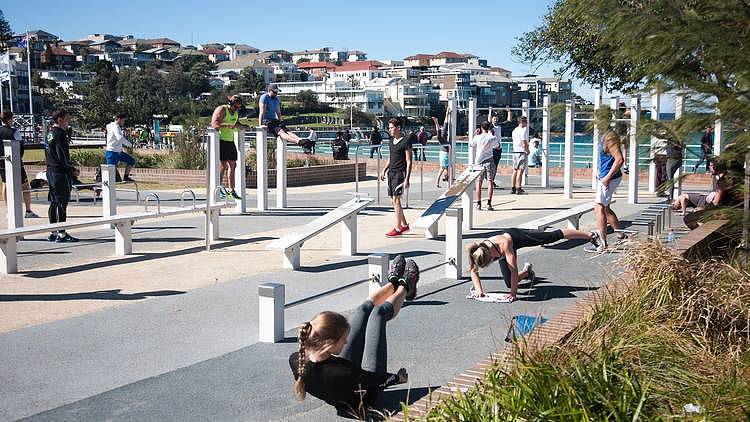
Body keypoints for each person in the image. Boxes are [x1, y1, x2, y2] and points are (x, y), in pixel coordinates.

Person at [290, 255, 419, 418]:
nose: (346, 342)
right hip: (366, 396)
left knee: (363, 309)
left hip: (344, 381)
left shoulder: (297, 359)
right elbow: (376, 380)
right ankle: (405, 286)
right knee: (378, 315)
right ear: (329, 342)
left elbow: (340, 371)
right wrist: (398, 378)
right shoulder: (340, 372)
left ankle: (392, 282)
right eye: (344, 339)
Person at [467, 228, 603, 303]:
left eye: (491, 261)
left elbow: (513, 270)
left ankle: (591, 235)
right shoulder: (476, 252)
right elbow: (473, 271)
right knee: (509, 283)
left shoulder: (503, 244)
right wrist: (479, 290)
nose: (491, 263)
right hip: (502, 251)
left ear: (490, 255)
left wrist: (513, 294)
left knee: (552, 236)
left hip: (516, 237)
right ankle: (527, 272)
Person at [585, 130, 625, 253]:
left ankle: (602, 243)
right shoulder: (604, 136)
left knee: (599, 207)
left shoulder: (610, 137)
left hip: (609, 179)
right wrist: (599, 171)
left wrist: (607, 177)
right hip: (605, 177)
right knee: (606, 208)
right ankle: (621, 236)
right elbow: (605, 158)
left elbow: (619, 159)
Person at [45, 109, 78, 243]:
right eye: (66, 119)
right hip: (60, 172)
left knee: (54, 202)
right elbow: (62, 155)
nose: (68, 122)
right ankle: (62, 233)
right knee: (61, 202)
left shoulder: (50, 133)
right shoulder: (60, 134)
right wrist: (71, 169)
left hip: (51, 170)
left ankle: (53, 231)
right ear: (59, 119)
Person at [0, 111, 39, 218]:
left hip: (2, 162)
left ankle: (9, 210)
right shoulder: (14, 132)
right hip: (16, 162)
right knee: (25, 186)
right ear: (9, 119)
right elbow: (21, 148)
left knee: (5, 184)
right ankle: (28, 210)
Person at [381, 118, 413, 237]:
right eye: (389, 128)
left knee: (396, 200)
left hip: (400, 174)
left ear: (398, 127)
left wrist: (407, 179)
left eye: (391, 127)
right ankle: (404, 225)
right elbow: (391, 157)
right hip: (391, 173)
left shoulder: (406, 141)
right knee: (393, 201)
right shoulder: (390, 141)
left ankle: (398, 228)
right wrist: (384, 170)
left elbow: (409, 161)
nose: (389, 130)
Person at [211, 95, 245, 200]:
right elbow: (214, 124)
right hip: (221, 140)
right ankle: (219, 187)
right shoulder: (222, 109)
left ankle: (231, 190)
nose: (237, 109)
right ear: (230, 104)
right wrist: (225, 125)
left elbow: (236, 123)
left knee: (233, 165)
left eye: (239, 107)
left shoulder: (236, 112)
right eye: (235, 107)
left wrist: (244, 126)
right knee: (223, 166)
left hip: (230, 140)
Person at [469, 121, 500, 210]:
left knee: (479, 182)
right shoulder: (492, 137)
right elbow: (497, 146)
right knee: (490, 181)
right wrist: (492, 134)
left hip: (479, 162)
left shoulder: (478, 137)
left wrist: (475, 134)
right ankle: (489, 203)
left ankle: (478, 203)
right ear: (489, 127)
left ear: (481, 127)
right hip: (489, 160)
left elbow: (471, 144)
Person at [105, 113, 136, 182]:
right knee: (110, 172)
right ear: (119, 119)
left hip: (119, 152)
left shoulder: (112, 126)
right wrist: (129, 144)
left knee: (131, 161)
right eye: (123, 120)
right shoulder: (115, 127)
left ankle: (126, 177)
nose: (123, 122)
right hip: (112, 152)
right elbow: (119, 138)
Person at [431, 105, 452, 188]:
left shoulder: (443, 168)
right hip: (445, 149)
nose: (445, 174)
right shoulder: (446, 168)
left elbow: (439, 175)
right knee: (444, 128)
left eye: (445, 176)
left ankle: (437, 122)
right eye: (445, 176)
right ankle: (445, 115)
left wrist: (437, 183)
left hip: (444, 150)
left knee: (439, 136)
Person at [510, 116, 529, 194]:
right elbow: (524, 142)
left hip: (515, 151)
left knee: (515, 170)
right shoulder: (523, 131)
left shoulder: (515, 130)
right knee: (520, 171)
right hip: (521, 151)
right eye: (525, 121)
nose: (526, 123)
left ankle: (513, 187)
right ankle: (518, 187)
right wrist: (527, 150)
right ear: (522, 122)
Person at [490, 115, 505, 189]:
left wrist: (508, 111)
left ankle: (492, 180)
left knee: (495, 166)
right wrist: (490, 111)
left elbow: (509, 120)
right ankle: (490, 180)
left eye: (496, 119)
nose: (495, 120)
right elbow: (489, 121)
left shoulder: (500, 126)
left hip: (499, 149)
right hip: (492, 149)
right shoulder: (490, 127)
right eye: (494, 119)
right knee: (490, 166)